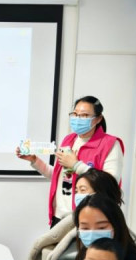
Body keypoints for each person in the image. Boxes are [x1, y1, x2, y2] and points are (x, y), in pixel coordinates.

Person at [17, 96, 124, 227]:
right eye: (75, 114)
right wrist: (34, 160)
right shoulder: (69, 140)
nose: (78, 119)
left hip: (89, 218)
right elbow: (60, 177)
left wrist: (76, 165)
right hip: (59, 216)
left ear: (98, 119)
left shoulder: (110, 144)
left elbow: (110, 183)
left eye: (84, 115)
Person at [28, 168, 122, 260]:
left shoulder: (114, 241)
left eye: (83, 190)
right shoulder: (72, 219)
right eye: (76, 191)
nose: (77, 196)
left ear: (101, 193)